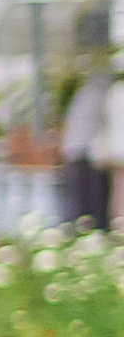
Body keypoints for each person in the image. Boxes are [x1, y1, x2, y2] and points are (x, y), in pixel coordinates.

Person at [60, 59, 112, 229]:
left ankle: (77, 230)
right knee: (92, 199)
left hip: (73, 150)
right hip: (85, 153)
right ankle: (93, 231)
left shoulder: (83, 94)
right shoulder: (100, 95)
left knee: (76, 199)